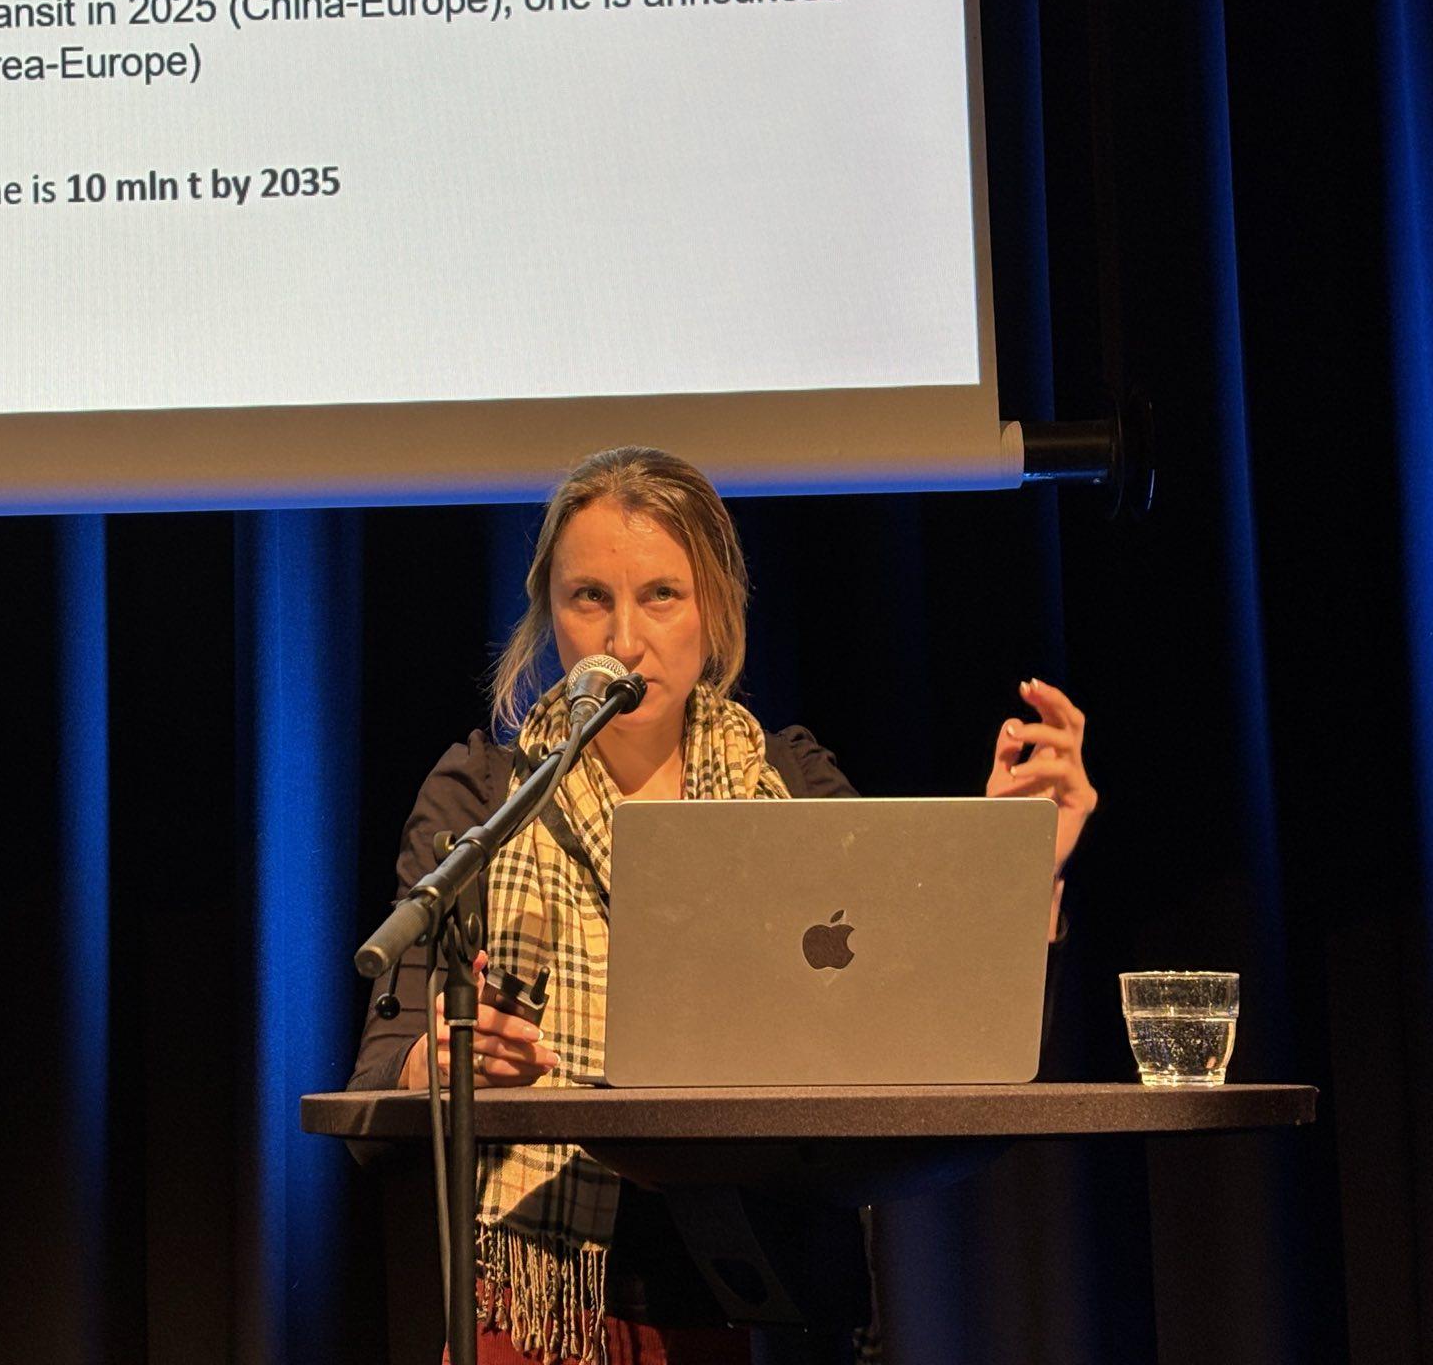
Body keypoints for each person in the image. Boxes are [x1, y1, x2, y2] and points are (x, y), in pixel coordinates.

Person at [349, 446, 1097, 1365]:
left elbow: (944, 1048)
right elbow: (375, 1090)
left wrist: (1022, 873)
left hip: (774, 1307)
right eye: (590, 598)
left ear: (715, 611)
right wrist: (437, 1062)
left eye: (662, 595)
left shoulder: (793, 785)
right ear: (550, 615)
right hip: (546, 1312)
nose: (624, 640)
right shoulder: (479, 799)